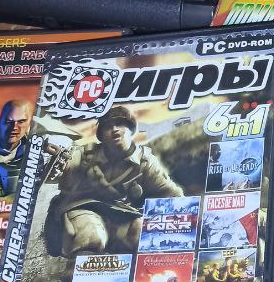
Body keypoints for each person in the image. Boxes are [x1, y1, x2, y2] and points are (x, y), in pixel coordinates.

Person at [45, 105, 181, 256]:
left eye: (120, 124)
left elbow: (171, 194)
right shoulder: (85, 155)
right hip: (82, 209)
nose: (114, 129)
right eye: (108, 127)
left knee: (143, 235)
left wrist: (183, 220)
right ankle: (82, 268)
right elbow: (58, 170)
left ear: (130, 129)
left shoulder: (145, 161)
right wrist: (55, 158)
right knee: (91, 236)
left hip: (121, 215)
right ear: (101, 135)